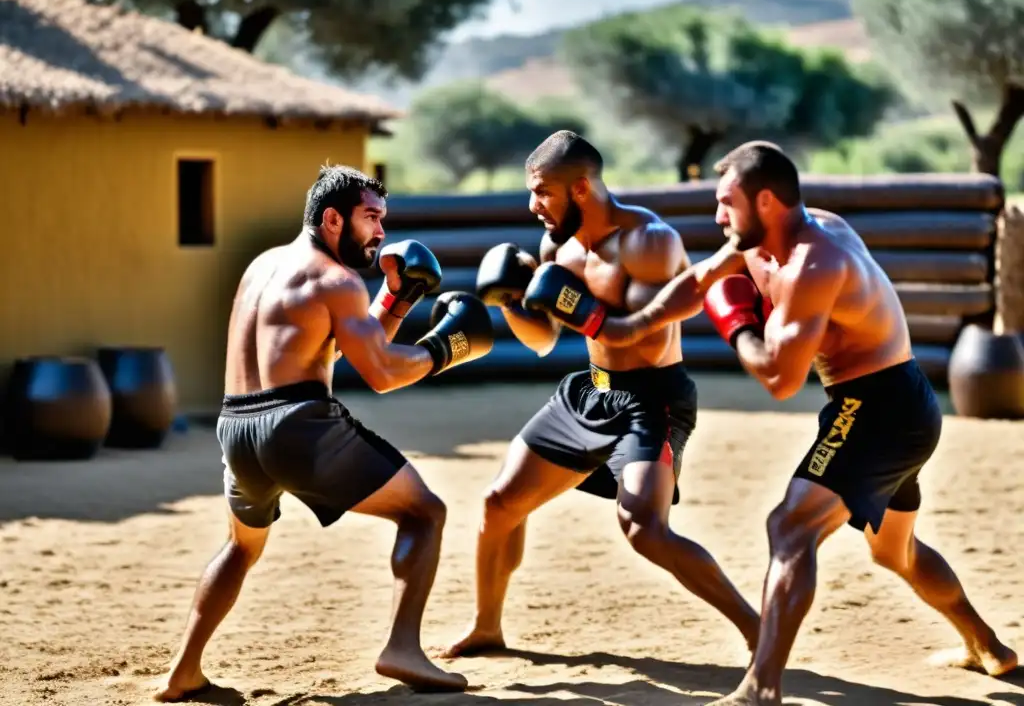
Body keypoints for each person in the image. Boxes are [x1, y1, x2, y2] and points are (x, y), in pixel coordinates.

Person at [595, 141, 1019, 705]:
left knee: (790, 528)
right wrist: (630, 328)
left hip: (880, 407)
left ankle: (761, 689)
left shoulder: (814, 263)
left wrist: (736, 321)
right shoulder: (760, 240)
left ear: (765, 201)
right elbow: (700, 282)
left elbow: (780, 378)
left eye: (727, 203)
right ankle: (989, 646)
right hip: (894, 404)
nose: (718, 216)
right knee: (896, 552)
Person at [155, 165, 494, 702]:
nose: (381, 232)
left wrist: (396, 301)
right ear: (333, 218)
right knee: (424, 511)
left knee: (240, 548)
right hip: (299, 427)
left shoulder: (262, 266)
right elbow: (380, 374)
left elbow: (330, 348)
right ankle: (402, 647)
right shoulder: (339, 281)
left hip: (237, 429)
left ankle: (184, 669)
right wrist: (445, 349)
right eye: (371, 218)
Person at [443, 130, 760, 660]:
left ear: (582, 188)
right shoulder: (555, 246)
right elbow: (544, 341)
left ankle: (758, 628)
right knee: (499, 504)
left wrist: (578, 307)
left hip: (650, 398)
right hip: (589, 393)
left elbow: (650, 334)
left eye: (542, 191)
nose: (532, 205)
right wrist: (510, 303)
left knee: (645, 529)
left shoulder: (649, 241)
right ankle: (486, 628)